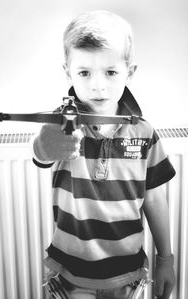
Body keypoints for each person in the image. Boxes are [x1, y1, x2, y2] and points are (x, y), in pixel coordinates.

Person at [32, 10, 176, 299]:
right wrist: (45, 145)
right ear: (68, 72)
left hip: (129, 273)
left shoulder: (145, 133)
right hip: (70, 272)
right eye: (84, 72)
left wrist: (165, 259)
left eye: (110, 72)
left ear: (129, 72)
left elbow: (156, 199)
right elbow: (41, 154)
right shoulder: (61, 126)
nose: (98, 85)